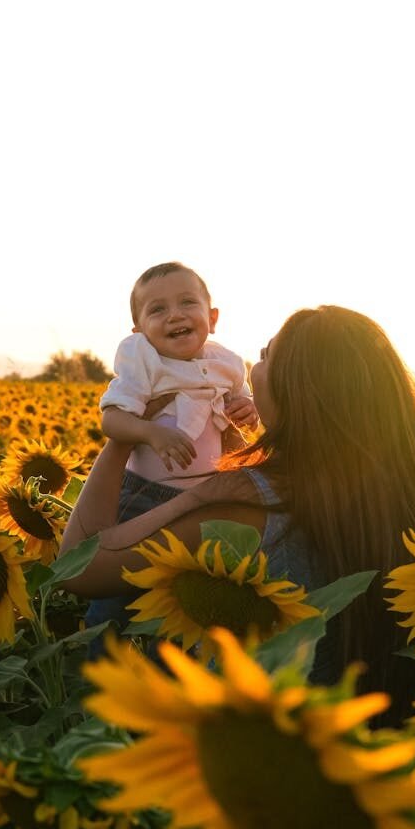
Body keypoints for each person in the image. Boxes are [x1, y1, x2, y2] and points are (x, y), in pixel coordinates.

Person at [61, 304, 415, 726]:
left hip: (238, 746)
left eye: (267, 356)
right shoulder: (400, 500)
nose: (252, 366)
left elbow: (82, 566)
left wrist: (124, 432)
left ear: (298, 391)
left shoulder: (242, 503)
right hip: (341, 748)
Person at [87, 262, 258, 639]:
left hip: (206, 497)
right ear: (139, 330)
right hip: (144, 497)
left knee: (181, 597)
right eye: (157, 309)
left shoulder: (226, 363)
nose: (175, 315)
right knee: (118, 591)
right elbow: (112, 421)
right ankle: (97, 664)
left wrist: (248, 411)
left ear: (211, 318)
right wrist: (151, 433)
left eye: (187, 303)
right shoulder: (142, 360)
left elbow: (240, 406)